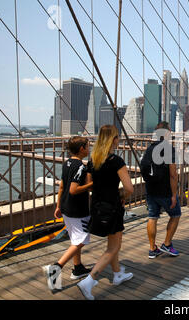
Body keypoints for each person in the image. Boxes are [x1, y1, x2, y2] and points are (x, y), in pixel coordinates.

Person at [77, 125, 134, 300]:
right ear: (113, 139)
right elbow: (129, 188)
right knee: (114, 246)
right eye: (117, 137)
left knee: (112, 242)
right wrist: (122, 195)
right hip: (113, 207)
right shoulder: (116, 161)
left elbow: (93, 184)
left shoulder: (93, 161)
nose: (119, 140)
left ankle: (117, 274)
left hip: (97, 206)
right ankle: (89, 280)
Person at [43, 136, 93, 291]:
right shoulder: (80, 166)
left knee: (75, 239)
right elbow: (73, 189)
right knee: (82, 240)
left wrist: (58, 206)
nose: (89, 148)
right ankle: (56, 268)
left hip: (66, 208)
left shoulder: (67, 163)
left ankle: (77, 268)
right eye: (87, 146)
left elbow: (62, 187)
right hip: (77, 209)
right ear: (81, 149)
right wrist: (92, 184)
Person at [141, 121, 181, 259]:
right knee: (175, 215)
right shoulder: (168, 149)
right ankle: (167, 244)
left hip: (151, 189)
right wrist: (174, 195)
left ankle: (152, 249)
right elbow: (173, 174)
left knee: (152, 217)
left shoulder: (150, 148)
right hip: (165, 191)